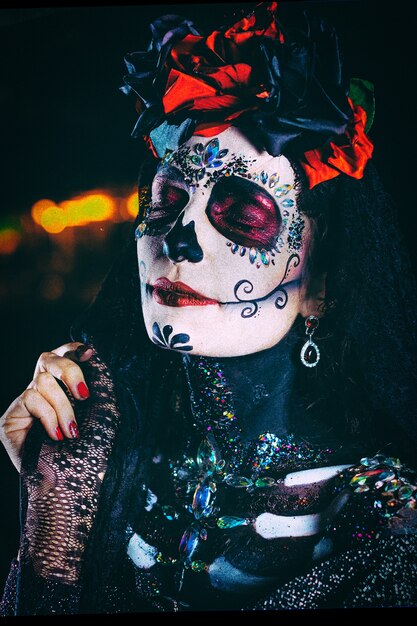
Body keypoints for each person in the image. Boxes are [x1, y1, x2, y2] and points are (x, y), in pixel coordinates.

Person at [1, 1, 417, 615]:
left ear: (319, 280)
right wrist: (54, 501)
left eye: (244, 214)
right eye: (167, 196)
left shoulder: (383, 524)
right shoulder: (118, 441)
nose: (178, 240)